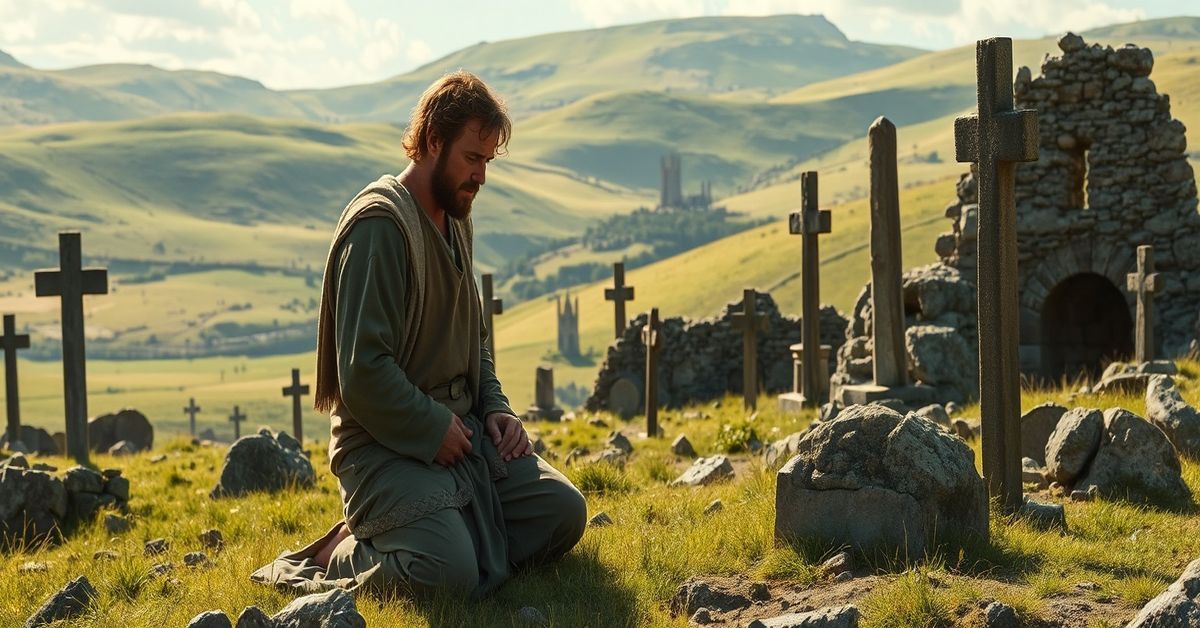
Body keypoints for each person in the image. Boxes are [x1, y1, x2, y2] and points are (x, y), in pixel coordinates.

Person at [252, 70, 587, 599]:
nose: (480, 176)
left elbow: (472, 338)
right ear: (433, 141)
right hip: (384, 447)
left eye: (487, 162)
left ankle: (443, 533)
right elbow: (362, 373)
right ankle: (338, 553)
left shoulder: (456, 216)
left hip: (465, 435)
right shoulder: (380, 227)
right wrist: (433, 429)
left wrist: (497, 409)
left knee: (563, 513)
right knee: (446, 573)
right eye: (472, 159)